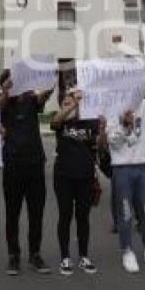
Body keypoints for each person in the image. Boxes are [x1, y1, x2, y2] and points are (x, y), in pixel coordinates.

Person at [107, 88, 145, 274]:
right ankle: (127, 251)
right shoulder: (112, 109)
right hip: (122, 167)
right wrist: (125, 126)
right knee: (125, 212)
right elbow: (113, 141)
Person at [0, 70, 52, 276]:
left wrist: (49, 80)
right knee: (13, 213)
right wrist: (5, 92)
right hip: (12, 165)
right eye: (10, 81)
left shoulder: (31, 99)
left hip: (35, 164)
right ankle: (13, 255)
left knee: (36, 213)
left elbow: (44, 95)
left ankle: (35, 253)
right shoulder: (3, 103)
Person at [50, 89, 102, 276]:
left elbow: (100, 145)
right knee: (65, 215)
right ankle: (65, 257)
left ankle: (83, 256)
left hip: (85, 176)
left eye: (70, 99)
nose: (68, 102)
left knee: (83, 216)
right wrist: (74, 104)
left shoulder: (90, 121)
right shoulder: (60, 122)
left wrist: (103, 129)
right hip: (63, 176)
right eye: (64, 101)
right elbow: (55, 121)